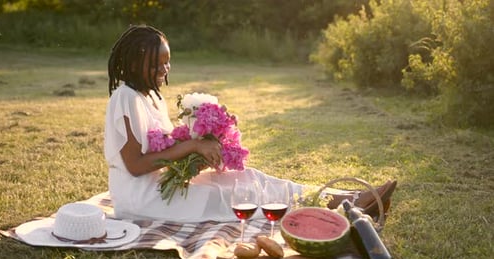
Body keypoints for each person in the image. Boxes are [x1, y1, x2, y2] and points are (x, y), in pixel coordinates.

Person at [104, 25, 395, 222]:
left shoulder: (151, 97)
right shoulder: (125, 98)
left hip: (163, 185)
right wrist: (194, 144)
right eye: (156, 65)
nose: (164, 70)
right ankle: (344, 206)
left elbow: (165, 151)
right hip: (142, 198)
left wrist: (201, 152)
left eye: (167, 62)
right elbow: (136, 166)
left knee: (250, 178)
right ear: (131, 64)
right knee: (234, 194)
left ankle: (345, 197)